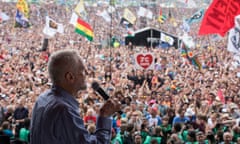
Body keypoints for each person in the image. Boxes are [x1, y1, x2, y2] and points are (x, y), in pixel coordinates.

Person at [30, 49, 121, 144]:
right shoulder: (63, 109)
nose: (86, 74)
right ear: (70, 77)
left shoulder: (42, 98)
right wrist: (104, 116)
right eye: (82, 71)